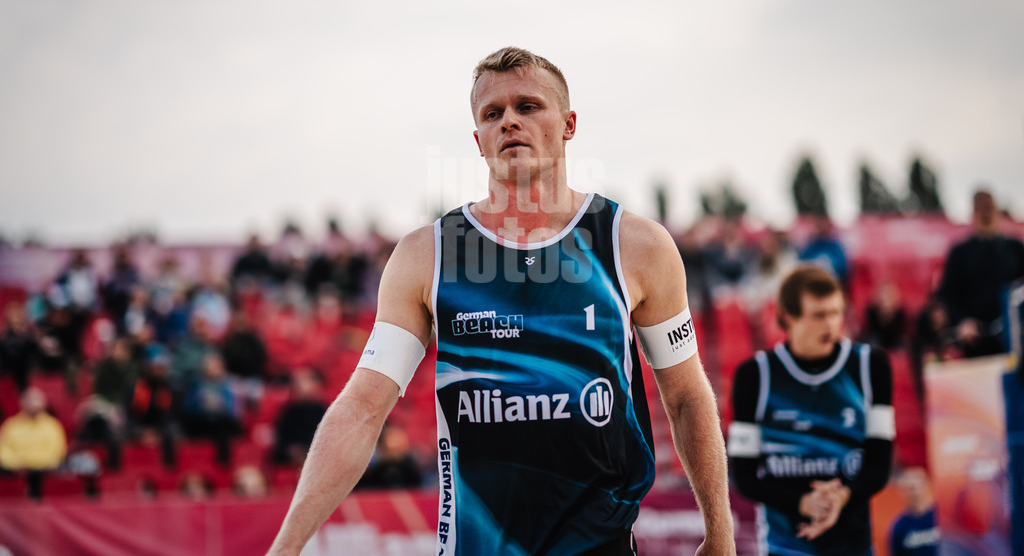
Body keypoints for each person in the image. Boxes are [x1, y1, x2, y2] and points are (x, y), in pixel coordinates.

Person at [268, 47, 735, 556]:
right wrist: (287, 547)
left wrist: (721, 533)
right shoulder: (429, 255)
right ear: (478, 140)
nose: (509, 121)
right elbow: (362, 407)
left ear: (568, 124)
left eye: (528, 106)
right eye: (493, 114)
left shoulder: (636, 246)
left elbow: (687, 395)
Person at [727, 265, 894, 556]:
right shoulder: (755, 375)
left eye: (836, 312)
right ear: (788, 317)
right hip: (785, 545)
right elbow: (745, 476)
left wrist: (842, 497)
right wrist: (803, 502)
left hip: (853, 544)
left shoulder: (871, 366)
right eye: (819, 315)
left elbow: (880, 466)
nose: (831, 324)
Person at [937, 189, 1024, 358]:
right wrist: (962, 321)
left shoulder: (1015, 248)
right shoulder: (960, 252)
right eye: (982, 210)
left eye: (989, 209)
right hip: (976, 340)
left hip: (1014, 336)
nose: (987, 215)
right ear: (974, 214)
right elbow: (948, 294)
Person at [0, 386, 67, 498]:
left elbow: (56, 452)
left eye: (37, 400)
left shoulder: (52, 425)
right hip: (15, 466)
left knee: (41, 473)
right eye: (30, 400)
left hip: (42, 468)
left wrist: (30, 463)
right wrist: (16, 463)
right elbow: (3, 450)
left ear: (44, 403)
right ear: (22, 403)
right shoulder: (11, 425)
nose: (34, 404)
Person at [888, 467, 939, 556]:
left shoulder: (941, 516)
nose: (912, 494)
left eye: (913, 488)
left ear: (926, 484)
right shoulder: (900, 526)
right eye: (907, 489)